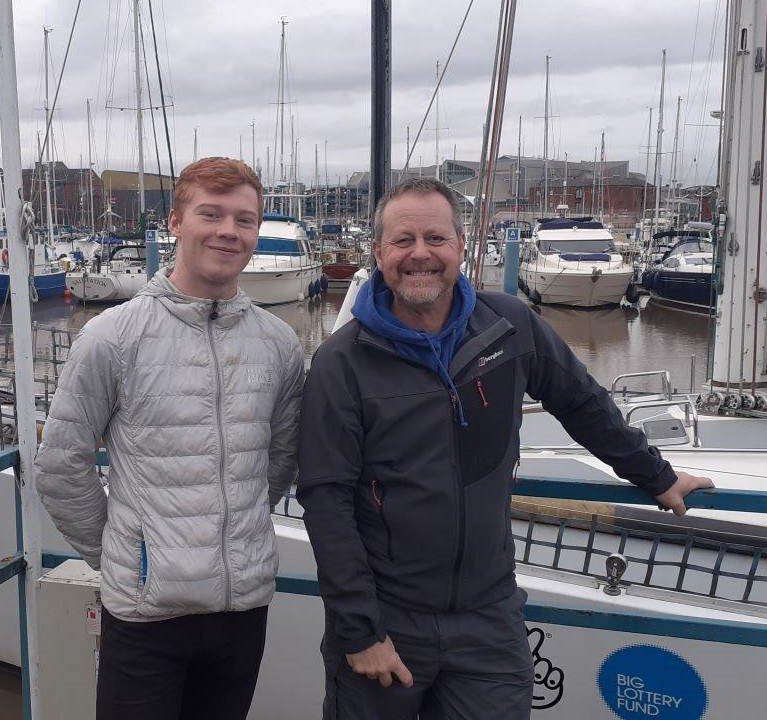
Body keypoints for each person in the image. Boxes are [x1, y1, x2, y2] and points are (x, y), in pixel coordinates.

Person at [297, 177, 713, 720]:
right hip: (389, 620)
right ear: (378, 253)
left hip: (489, 619)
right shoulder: (342, 363)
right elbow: (326, 501)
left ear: (461, 246)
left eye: (435, 238)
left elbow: (582, 402)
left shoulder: (507, 326)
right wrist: (360, 631)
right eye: (403, 241)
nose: (420, 254)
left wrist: (656, 476)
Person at [35, 157, 304, 720]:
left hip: (241, 608)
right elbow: (62, 467)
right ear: (176, 222)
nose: (228, 231)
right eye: (211, 213)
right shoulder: (112, 338)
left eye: (244, 219)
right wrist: (128, 555)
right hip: (146, 619)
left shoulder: (277, 344)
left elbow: (278, 464)